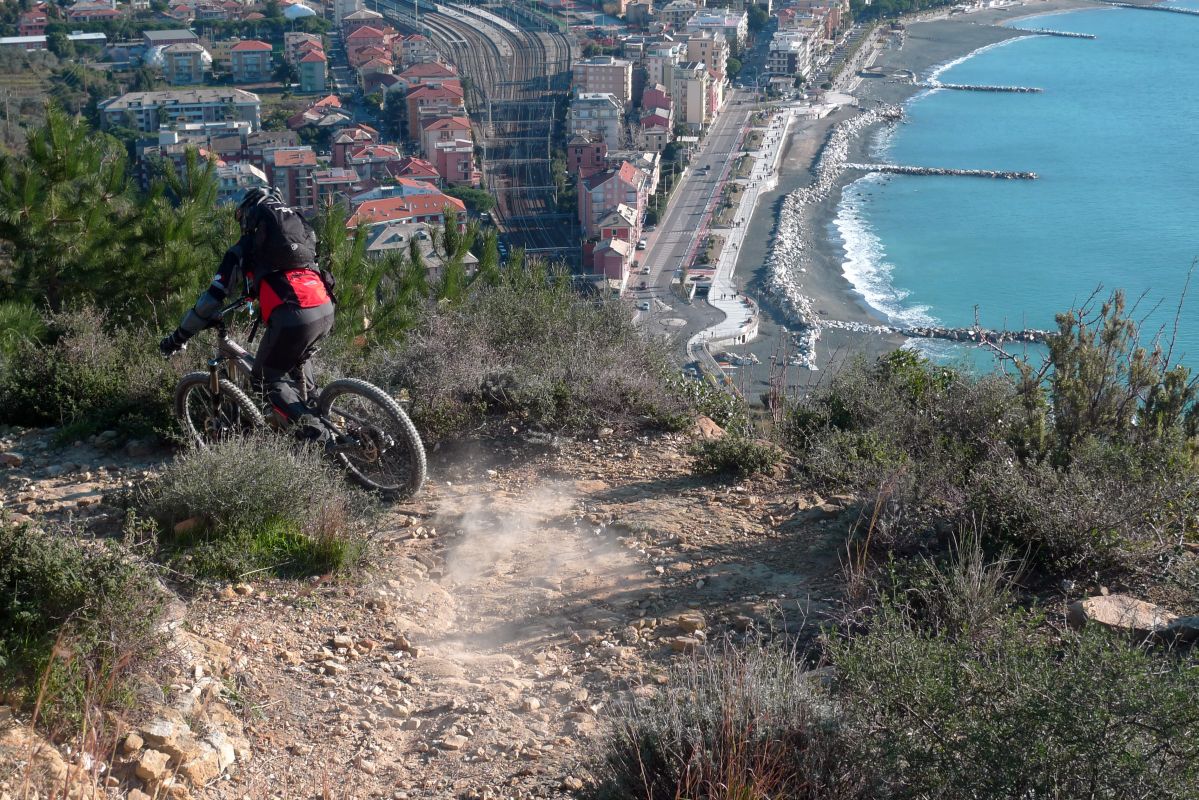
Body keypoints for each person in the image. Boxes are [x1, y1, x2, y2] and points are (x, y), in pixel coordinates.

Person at [159, 186, 336, 440]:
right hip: (325, 308)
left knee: (264, 380)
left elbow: (211, 300)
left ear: (248, 216)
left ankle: (319, 437)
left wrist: (178, 337)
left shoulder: (245, 247)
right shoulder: (300, 240)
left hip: (294, 317)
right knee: (297, 366)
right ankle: (332, 425)